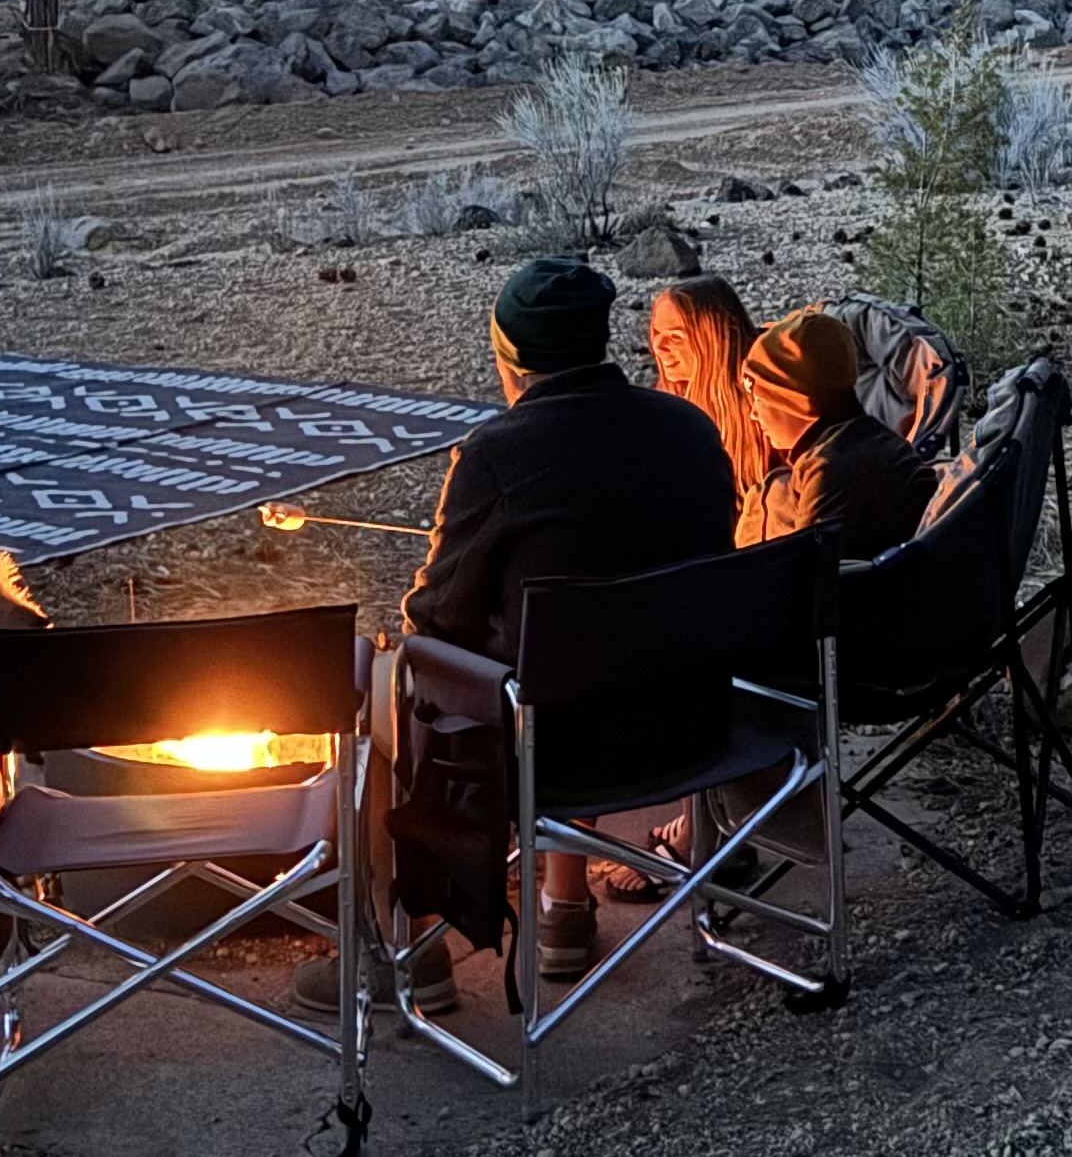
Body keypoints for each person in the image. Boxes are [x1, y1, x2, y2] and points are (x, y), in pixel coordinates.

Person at [310, 255, 731, 1012]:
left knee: (382, 681)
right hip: (697, 726)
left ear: (511, 360)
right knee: (590, 656)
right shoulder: (691, 430)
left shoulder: (497, 453)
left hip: (558, 743)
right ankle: (563, 908)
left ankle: (411, 950)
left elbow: (435, 617)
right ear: (602, 342)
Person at [734, 307, 937, 561]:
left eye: (760, 400)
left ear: (793, 401)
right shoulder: (869, 436)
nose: (754, 414)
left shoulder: (830, 467)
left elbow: (812, 576)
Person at [646, 275, 772, 498]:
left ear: (718, 339)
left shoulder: (764, 405)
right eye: (657, 333)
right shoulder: (663, 408)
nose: (658, 347)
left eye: (676, 337)